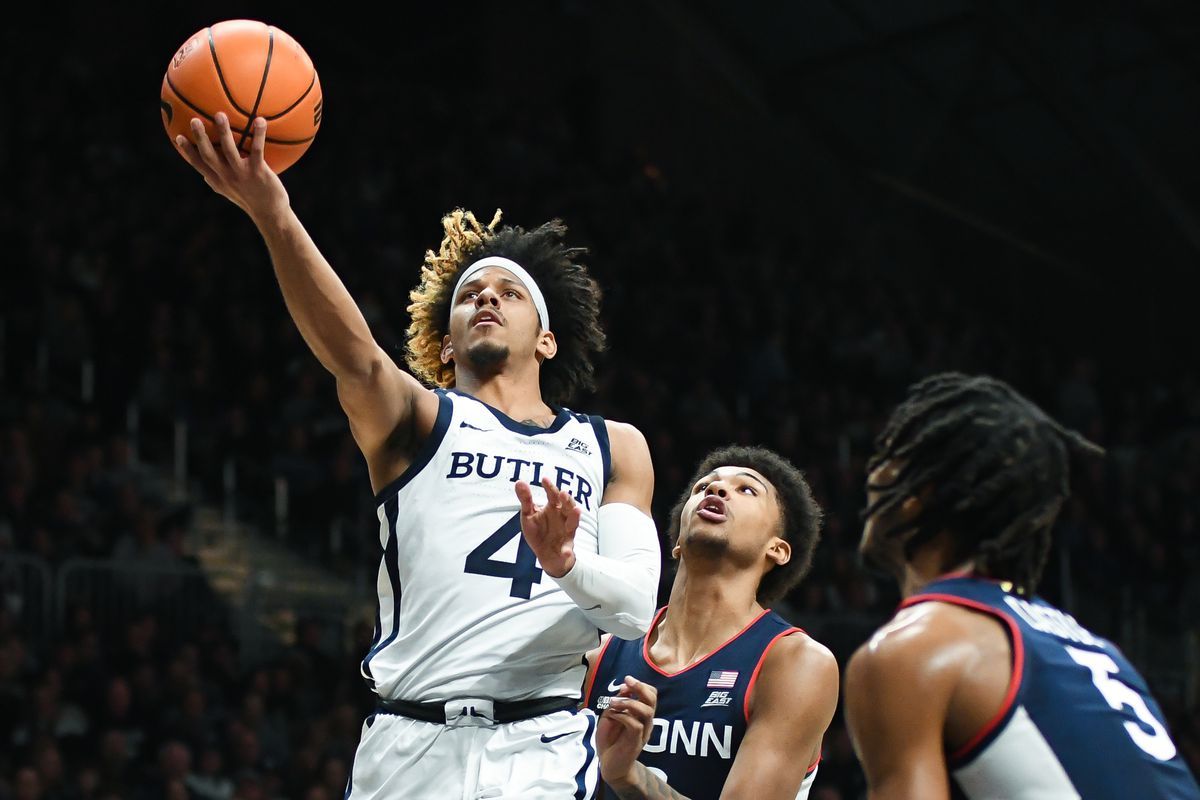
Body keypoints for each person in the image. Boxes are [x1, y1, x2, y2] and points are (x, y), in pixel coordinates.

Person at [173, 113, 661, 798]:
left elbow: (638, 608)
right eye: (469, 296)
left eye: (510, 293)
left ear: (546, 341)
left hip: (541, 742)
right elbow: (356, 358)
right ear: (448, 345)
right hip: (407, 743)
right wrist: (273, 212)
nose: (487, 296)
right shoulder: (419, 418)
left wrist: (568, 561)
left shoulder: (614, 446)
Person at [844, 372, 1200, 799]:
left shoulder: (913, 649)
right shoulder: (1098, 650)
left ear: (920, 493)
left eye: (887, 458)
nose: (871, 474)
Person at [587, 445, 839, 799]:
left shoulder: (795, 663)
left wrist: (628, 776)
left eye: (746, 489)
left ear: (777, 549)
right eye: (704, 487)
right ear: (676, 542)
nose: (717, 490)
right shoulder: (602, 654)